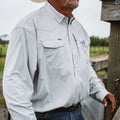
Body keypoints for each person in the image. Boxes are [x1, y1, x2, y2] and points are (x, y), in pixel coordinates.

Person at [3, 0, 116, 120]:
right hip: (45, 116)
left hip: (78, 113)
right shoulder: (27, 27)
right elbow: (15, 84)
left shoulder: (79, 30)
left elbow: (85, 68)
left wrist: (100, 92)